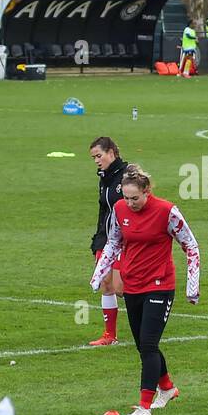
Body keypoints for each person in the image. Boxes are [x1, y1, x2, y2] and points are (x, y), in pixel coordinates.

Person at [90, 165, 200, 415]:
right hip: (133, 285)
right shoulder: (119, 210)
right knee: (142, 343)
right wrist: (98, 276)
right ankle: (168, 388)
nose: (130, 203)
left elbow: (191, 245)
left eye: (135, 198)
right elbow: (114, 242)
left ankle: (144, 407)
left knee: (148, 344)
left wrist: (192, 287)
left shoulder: (167, 212)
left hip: (160, 285)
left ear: (147, 191)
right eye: (126, 198)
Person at [88, 136, 128, 347]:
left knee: (121, 287)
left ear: (111, 153)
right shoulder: (104, 177)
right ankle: (109, 335)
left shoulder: (129, 175)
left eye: (99, 155)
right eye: (94, 157)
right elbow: (104, 210)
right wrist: (98, 239)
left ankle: (148, 315)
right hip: (106, 238)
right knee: (105, 283)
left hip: (125, 237)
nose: (96, 160)